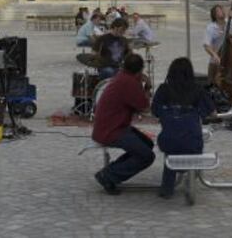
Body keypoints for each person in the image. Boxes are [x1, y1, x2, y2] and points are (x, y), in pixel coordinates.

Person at [152, 57, 216, 198]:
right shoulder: (198, 90)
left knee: (172, 149)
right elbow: (212, 112)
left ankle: (167, 189)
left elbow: (154, 111)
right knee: (192, 144)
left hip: (167, 140)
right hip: (192, 140)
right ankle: (190, 179)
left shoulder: (163, 89)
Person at [92, 53, 155, 195]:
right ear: (140, 69)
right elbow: (144, 107)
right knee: (147, 156)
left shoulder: (123, 77)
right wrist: (147, 87)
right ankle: (108, 176)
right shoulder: (129, 83)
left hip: (112, 127)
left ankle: (111, 171)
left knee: (147, 144)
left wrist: (140, 80)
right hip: (112, 131)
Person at [203, 4, 232, 83]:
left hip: (230, 61)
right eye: (218, 10)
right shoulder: (211, 27)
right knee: (211, 84)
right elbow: (206, 46)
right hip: (216, 62)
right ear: (214, 15)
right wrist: (215, 55)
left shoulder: (231, 22)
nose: (222, 11)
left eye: (222, 9)